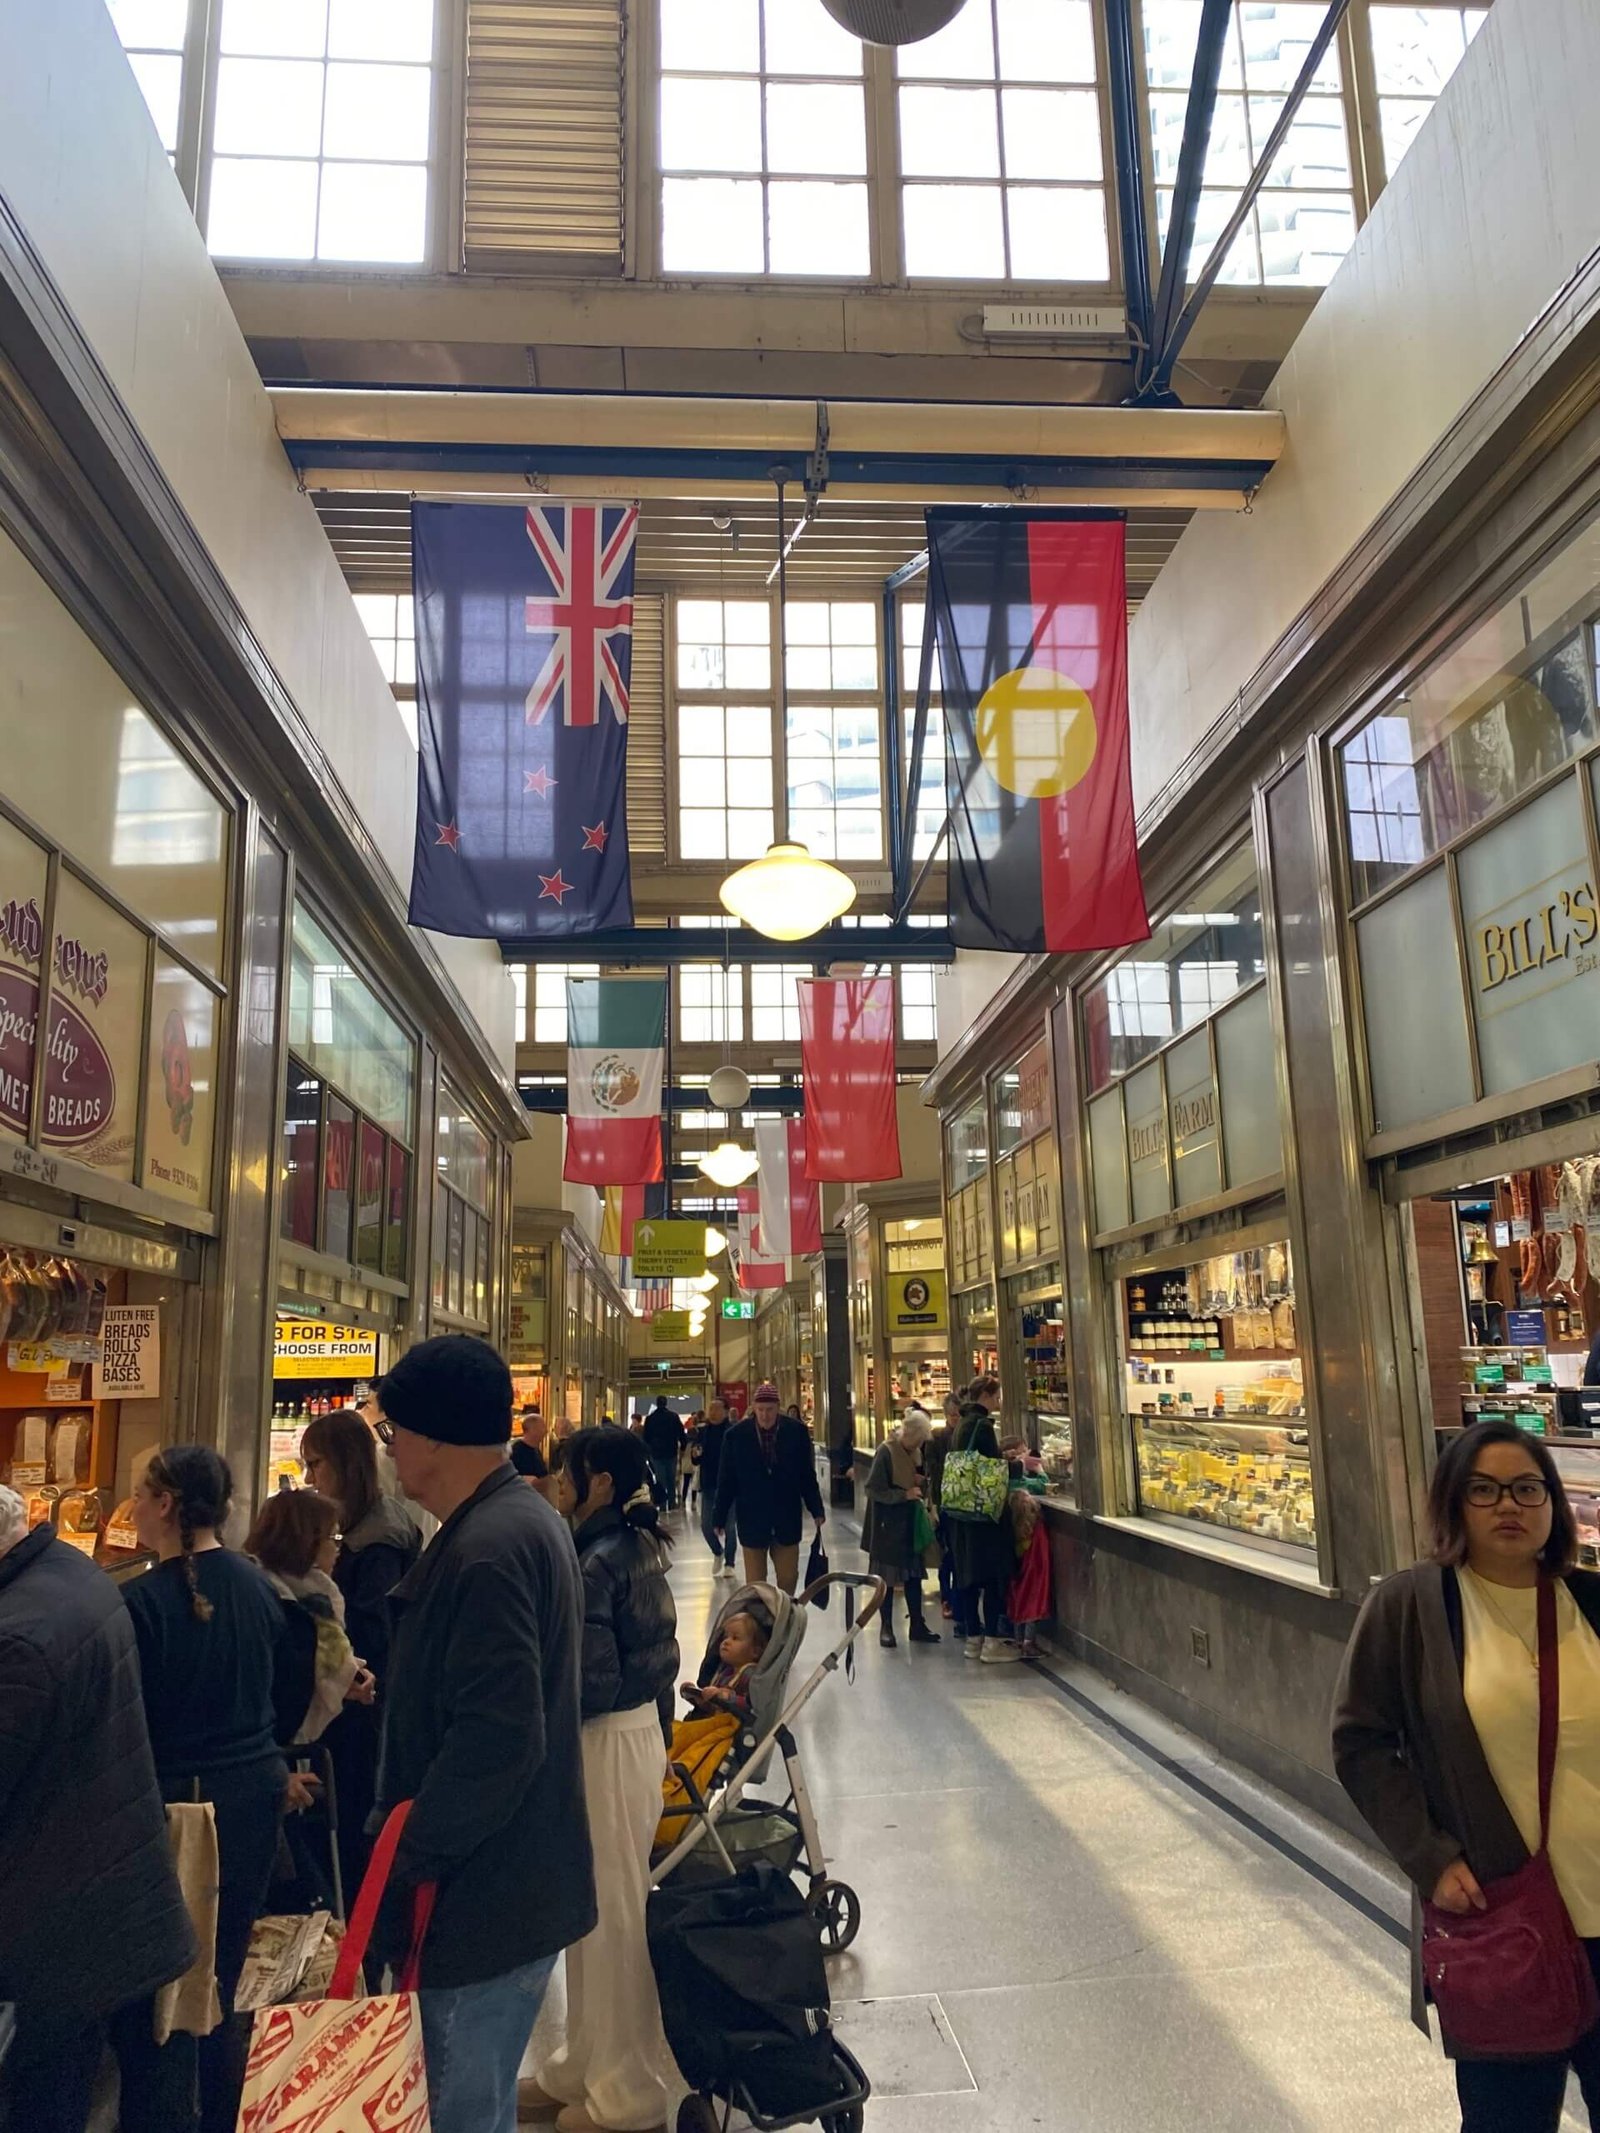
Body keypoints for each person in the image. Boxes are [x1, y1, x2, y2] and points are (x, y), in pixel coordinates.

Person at [1333, 1419, 1600, 2131]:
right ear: (1453, 1504)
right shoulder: (1414, 1605)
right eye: (1483, 1490)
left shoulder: (1590, 1601)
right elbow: (1360, 1740)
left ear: (1553, 1502)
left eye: (1525, 1487)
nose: (1508, 1504)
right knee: (1507, 2120)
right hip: (1506, 1917)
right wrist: (1430, 1855)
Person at [371, 1335, 595, 2133]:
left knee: (458, 2108)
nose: (387, 1442)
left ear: (432, 1435)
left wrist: (407, 1851)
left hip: (479, 1900)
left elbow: (499, 1740)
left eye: (391, 1426)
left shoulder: (490, 1548)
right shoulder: (513, 1522)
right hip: (511, 1886)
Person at [0, 1484, 195, 2133]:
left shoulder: (21, 1638)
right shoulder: (71, 1573)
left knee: (43, 2104)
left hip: (53, 1933)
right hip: (108, 1899)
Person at [112, 1446, 290, 2133]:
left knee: (157, 1993)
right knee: (222, 1972)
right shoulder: (257, 1587)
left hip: (175, 1807)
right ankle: (221, 2112)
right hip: (252, 1797)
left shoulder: (140, 1604)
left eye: (138, 1492)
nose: (130, 1505)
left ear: (165, 1504)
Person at [522, 1426, 678, 2133]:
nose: (558, 1481)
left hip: (605, 1740)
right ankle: (583, 2061)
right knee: (596, 1907)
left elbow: (593, 1677)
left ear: (602, 1483)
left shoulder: (594, 1560)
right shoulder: (633, 1546)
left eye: (569, 1470)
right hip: (634, 1733)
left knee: (611, 1911)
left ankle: (627, 2088)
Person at [300, 1405, 421, 1898]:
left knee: (352, 1831)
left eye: (317, 1465)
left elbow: (372, 1636)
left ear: (345, 1465)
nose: (309, 1477)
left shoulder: (375, 1545)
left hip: (364, 1717)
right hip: (369, 1712)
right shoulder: (371, 1526)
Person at [244, 1489, 372, 1744]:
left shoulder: (311, 1597)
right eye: (333, 1538)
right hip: (269, 1754)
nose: (339, 1548)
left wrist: (347, 1674)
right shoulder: (274, 1601)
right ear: (306, 1541)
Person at [713, 1382, 825, 1596]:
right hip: (752, 1519)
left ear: (778, 1408)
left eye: (770, 1410)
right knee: (756, 1584)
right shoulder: (736, 1436)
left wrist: (816, 1509)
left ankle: (783, 1619)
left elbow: (806, 1475)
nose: (765, 1415)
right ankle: (762, 1624)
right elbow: (726, 1480)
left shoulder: (796, 1432)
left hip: (786, 1518)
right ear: (754, 1408)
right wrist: (718, 1517)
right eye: (761, 1410)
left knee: (788, 1577)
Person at [947, 1377, 1021, 1665]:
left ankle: (973, 1639)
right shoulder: (983, 1425)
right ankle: (992, 1641)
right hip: (983, 1515)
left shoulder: (961, 1424)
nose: (999, 1402)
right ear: (987, 1396)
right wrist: (1016, 1465)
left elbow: (974, 1462)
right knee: (992, 1578)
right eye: (997, 1397)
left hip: (961, 1511)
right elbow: (992, 1471)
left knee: (967, 1577)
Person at [862, 1406, 941, 1649]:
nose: (918, 1445)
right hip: (887, 1526)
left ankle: (917, 1624)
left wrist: (920, 1484)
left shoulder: (914, 1453)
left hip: (909, 1525)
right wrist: (903, 1494)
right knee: (886, 1578)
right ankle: (886, 1627)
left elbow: (917, 1482)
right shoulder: (886, 1453)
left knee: (913, 1576)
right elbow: (873, 1489)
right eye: (917, 1439)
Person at [696, 1396, 738, 1577]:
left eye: (716, 1408)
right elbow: (697, 1458)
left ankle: (730, 1563)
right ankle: (717, 1552)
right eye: (710, 1408)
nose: (712, 1412)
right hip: (709, 1484)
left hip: (729, 1486)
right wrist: (696, 1455)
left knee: (729, 1526)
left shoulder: (733, 1431)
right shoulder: (703, 1432)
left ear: (726, 1411)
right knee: (706, 1525)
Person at [641, 1395, 686, 1512]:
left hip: (656, 1453)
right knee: (671, 1478)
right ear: (666, 1403)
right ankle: (672, 1502)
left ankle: (661, 1504)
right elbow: (681, 1433)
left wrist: (647, 1451)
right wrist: (683, 1447)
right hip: (671, 1451)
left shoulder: (650, 1418)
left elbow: (646, 1437)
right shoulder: (673, 1417)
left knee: (660, 1479)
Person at [512, 1405, 549, 1479]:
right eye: (542, 1427)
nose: (546, 1431)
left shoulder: (536, 1450)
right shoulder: (516, 1452)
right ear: (533, 1429)